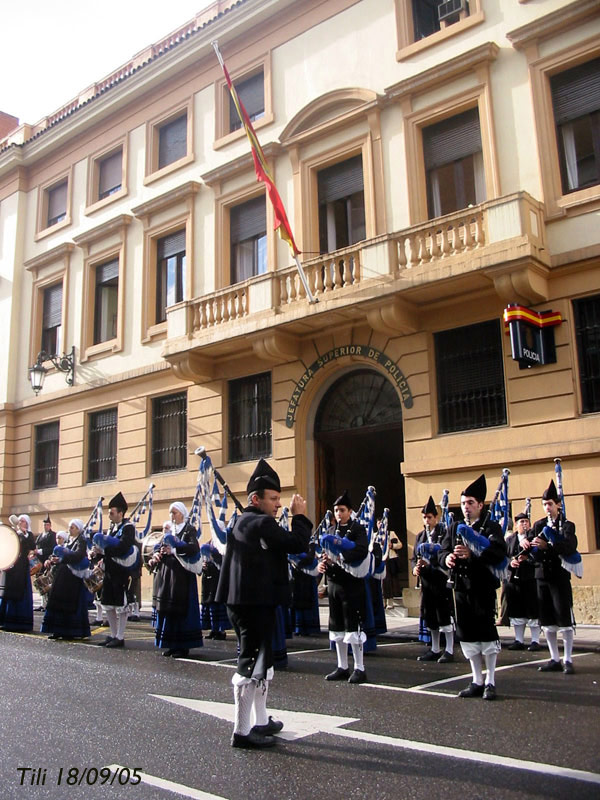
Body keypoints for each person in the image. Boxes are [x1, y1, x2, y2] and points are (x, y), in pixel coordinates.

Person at [216, 458, 312, 749]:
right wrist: (300, 517)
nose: (277, 505)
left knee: (262, 661)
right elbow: (296, 543)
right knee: (249, 663)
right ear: (255, 499)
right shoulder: (259, 521)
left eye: (279, 500)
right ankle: (242, 732)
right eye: (273, 499)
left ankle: (260, 721)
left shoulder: (244, 521)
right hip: (252, 604)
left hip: (253, 601)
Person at [440, 475, 507, 700]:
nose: (466, 507)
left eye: (470, 503)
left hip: (483, 587)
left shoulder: (491, 526)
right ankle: (476, 679)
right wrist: (447, 558)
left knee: (486, 634)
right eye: (463, 503)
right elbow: (442, 551)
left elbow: (499, 553)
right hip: (461, 587)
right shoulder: (454, 527)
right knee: (468, 634)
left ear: (480, 504)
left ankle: (490, 682)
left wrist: (474, 553)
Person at [318, 490, 369, 685]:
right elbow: (323, 551)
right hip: (333, 584)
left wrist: (340, 557)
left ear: (350, 511)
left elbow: (361, 551)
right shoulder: (330, 531)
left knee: (353, 627)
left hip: (351, 584)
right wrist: (322, 563)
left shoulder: (358, 530)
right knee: (337, 627)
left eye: (342, 510)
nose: (338, 514)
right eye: (336, 510)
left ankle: (359, 667)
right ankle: (342, 666)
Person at [531, 480, 578, 674]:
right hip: (542, 576)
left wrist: (548, 546)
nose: (547, 508)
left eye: (550, 504)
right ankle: (554, 658)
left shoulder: (566, 525)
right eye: (544, 504)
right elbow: (535, 549)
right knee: (547, 620)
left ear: (558, 504)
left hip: (559, 577)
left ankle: (567, 659)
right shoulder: (539, 525)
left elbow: (569, 547)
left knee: (564, 618)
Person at [149, 503, 203, 658]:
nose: (171, 516)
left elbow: (193, 548)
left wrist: (174, 549)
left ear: (182, 514)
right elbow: (159, 546)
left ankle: (182, 646)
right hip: (167, 575)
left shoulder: (188, 530)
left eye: (174, 512)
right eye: (170, 513)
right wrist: (158, 553)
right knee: (168, 610)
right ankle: (171, 644)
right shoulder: (170, 531)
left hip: (181, 576)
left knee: (180, 610)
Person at [412, 496, 455, 663]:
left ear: (436, 518)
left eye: (430, 517)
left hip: (441, 580)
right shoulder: (420, 536)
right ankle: (435, 648)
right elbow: (414, 557)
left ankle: (449, 649)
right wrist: (415, 567)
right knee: (430, 616)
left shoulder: (443, 533)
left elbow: (444, 554)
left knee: (444, 615)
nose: (427, 520)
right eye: (424, 517)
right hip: (427, 582)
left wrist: (431, 561)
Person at [94, 492, 136, 649]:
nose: (109, 515)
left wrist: (105, 551)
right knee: (108, 603)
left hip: (122, 571)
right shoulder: (112, 528)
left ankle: (120, 636)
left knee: (121, 605)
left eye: (112, 512)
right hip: (110, 571)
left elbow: (124, 547)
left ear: (121, 513)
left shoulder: (128, 528)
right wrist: (99, 554)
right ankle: (113, 634)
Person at [41, 519, 91, 640]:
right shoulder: (69, 540)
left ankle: (69, 630)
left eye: (72, 527)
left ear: (78, 529)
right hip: (63, 575)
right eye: (69, 527)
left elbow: (79, 555)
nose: (70, 529)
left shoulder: (81, 541)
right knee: (57, 601)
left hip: (73, 577)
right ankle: (57, 629)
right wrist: (52, 559)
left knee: (70, 603)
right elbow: (60, 553)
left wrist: (64, 558)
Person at [502, 512, 541, 651]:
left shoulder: (533, 538)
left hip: (530, 578)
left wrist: (528, 559)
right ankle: (519, 639)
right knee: (517, 610)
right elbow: (504, 557)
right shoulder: (510, 540)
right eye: (521, 522)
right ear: (516, 525)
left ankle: (535, 640)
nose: (524, 524)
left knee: (532, 610)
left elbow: (538, 556)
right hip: (514, 580)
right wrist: (511, 562)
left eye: (526, 521)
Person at [0, 514, 35, 632]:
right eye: (20, 521)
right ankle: (6, 620)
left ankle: (20, 623)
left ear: (27, 523)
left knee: (20, 593)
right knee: (8, 592)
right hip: (13, 567)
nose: (21, 523)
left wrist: (24, 534)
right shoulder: (13, 532)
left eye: (23, 521)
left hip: (22, 567)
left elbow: (32, 546)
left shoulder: (28, 535)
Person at [200, 543, 229, 640]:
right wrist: (203, 565)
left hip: (217, 580)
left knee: (216, 605)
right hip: (207, 581)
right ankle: (213, 630)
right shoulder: (209, 543)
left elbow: (222, 563)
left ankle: (220, 630)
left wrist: (213, 559)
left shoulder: (221, 544)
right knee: (209, 606)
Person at [33, 515, 56, 610]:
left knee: (47, 582)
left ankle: (48, 603)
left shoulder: (52, 535)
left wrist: (41, 551)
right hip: (39, 562)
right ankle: (43, 604)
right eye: (44, 525)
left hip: (47, 561)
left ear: (50, 526)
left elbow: (52, 548)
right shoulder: (40, 536)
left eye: (47, 525)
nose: (45, 526)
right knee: (40, 583)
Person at [383, 527, 402, 609]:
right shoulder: (376, 534)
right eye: (379, 523)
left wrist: (392, 545)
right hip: (381, 560)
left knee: (390, 580)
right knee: (383, 582)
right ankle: (383, 601)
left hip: (391, 559)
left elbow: (400, 545)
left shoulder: (391, 533)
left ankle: (390, 601)